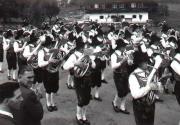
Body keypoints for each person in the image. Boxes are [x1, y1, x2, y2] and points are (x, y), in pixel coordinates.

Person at [129, 52, 162, 125]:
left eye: (147, 61)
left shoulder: (147, 71)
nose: (147, 63)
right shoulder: (133, 76)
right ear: (139, 63)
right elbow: (135, 94)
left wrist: (157, 86)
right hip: (140, 106)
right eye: (145, 62)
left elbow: (154, 86)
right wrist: (149, 87)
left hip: (151, 104)